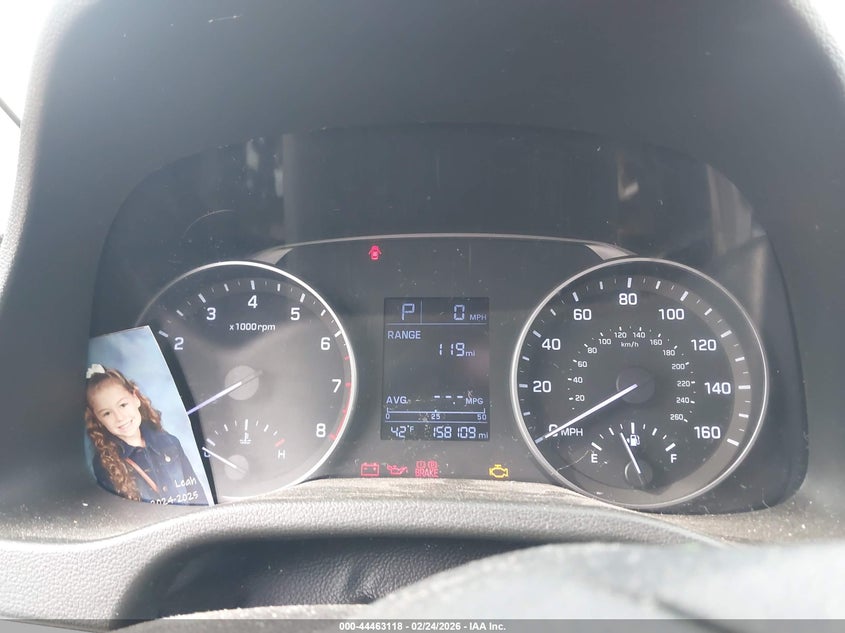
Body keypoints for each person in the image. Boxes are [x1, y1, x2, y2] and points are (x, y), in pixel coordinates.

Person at [85, 364, 208, 505]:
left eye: (123, 405)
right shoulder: (105, 464)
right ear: (98, 419)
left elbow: (198, 495)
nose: (119, 417)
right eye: (107, 413)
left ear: (135, 398)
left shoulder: (170, 442)